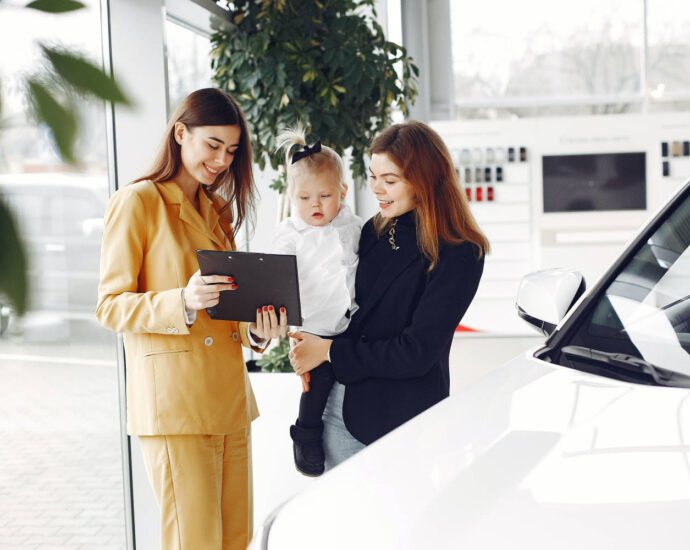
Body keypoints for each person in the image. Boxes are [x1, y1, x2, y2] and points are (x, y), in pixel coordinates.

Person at [95, 88, 286, 550]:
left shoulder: (217, 209)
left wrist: (257, 331)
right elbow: (109, 305)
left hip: (229, 402)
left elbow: (229, 304)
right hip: (175, 406)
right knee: (193, 542)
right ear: (181, 133)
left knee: (235, 540)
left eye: (232, 150)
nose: (222, 160)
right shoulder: (138, 202)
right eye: (213, 145)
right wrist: (181, 299)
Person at [289, 120, 489, 469]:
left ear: (425, 180)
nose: (378, 189)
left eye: (390, 180)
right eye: (373, 176)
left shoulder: (460, 252)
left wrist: (329, 351)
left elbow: (416, 352)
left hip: (403, 421)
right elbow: (348, 310)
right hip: (339, 408)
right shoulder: (376, 229)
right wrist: (309, 340)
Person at [272, 127, 362, 476]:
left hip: (352, 323)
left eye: (325, 196)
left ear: (342, 191)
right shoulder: (291, 233)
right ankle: (306, 435)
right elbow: (276, 271)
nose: (316, 206)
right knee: (317, 384)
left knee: (352, 377)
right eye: (305, 198)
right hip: (313, 327)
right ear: (293, 197)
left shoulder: (352, 225)